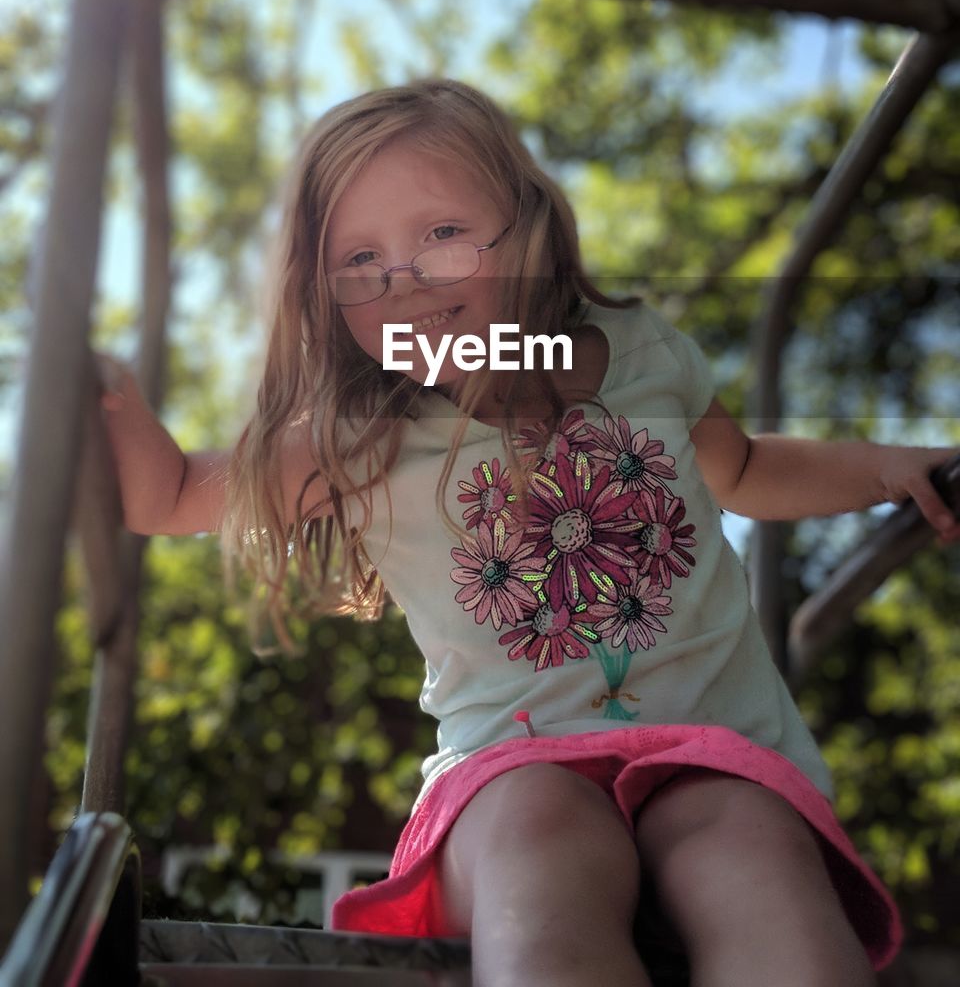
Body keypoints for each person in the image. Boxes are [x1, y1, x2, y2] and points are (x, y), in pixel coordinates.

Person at [100, 78, 960, 987]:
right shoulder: (363, 434)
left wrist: (882, 468)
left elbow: (742, 468)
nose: (407, 280)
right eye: (361, 258)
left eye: (441, 235)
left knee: (753, 857)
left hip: (709, 748)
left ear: (528, 224)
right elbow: (169, 497)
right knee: (539, 843)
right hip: (512, 766)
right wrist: (106, 393)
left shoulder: (639, 353)